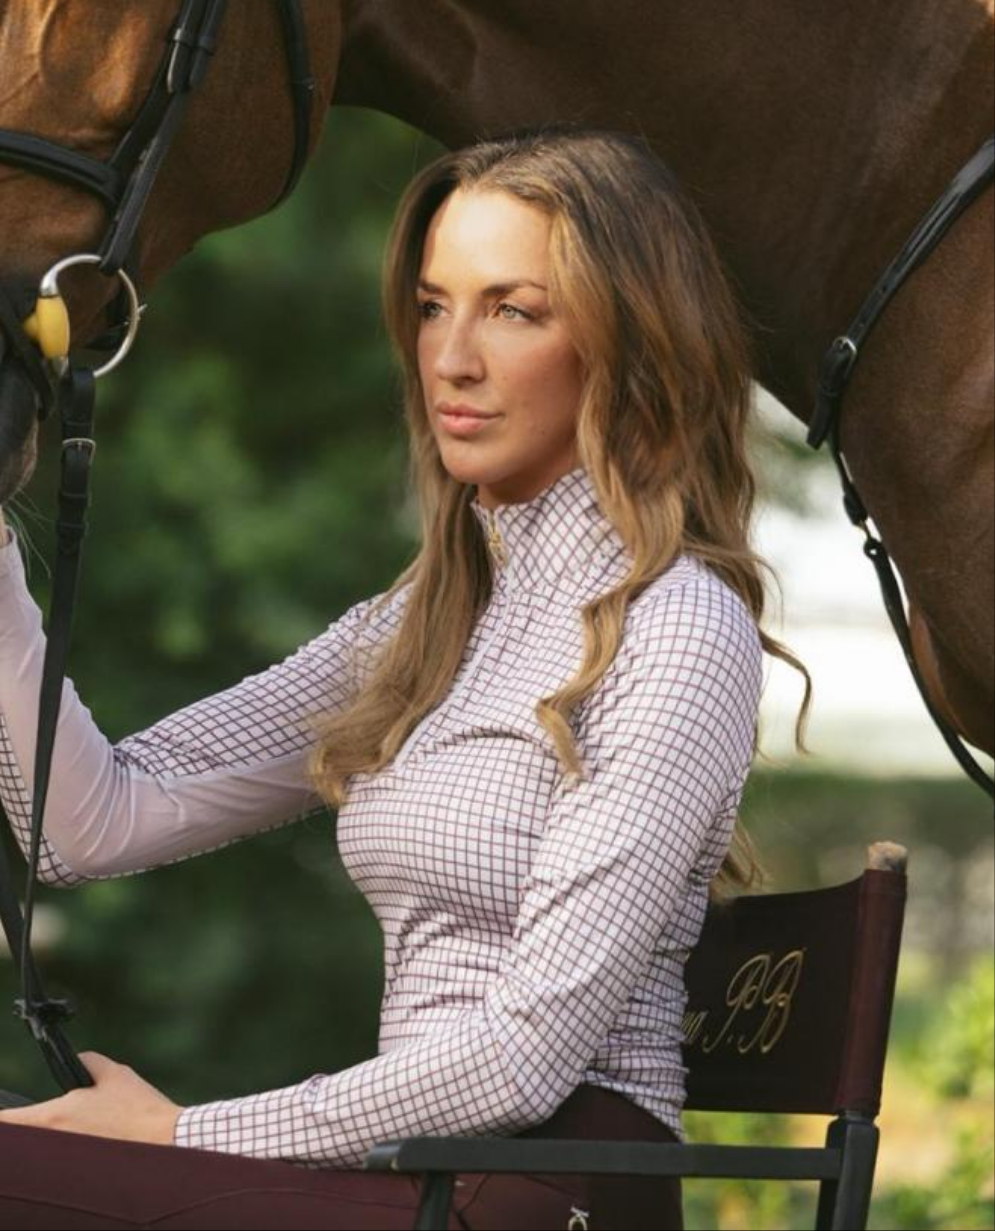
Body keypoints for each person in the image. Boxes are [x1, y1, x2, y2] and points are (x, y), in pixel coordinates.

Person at [0, 125, 811, 1229]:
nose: (451, 357)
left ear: (631, 345)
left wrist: (182, 1132)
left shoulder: (675, 628)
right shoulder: (433, 615)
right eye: (434, 305)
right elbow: (90, 822)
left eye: (512, 309)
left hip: (543, 1187)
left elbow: (521, 1063)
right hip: (408, 1173)